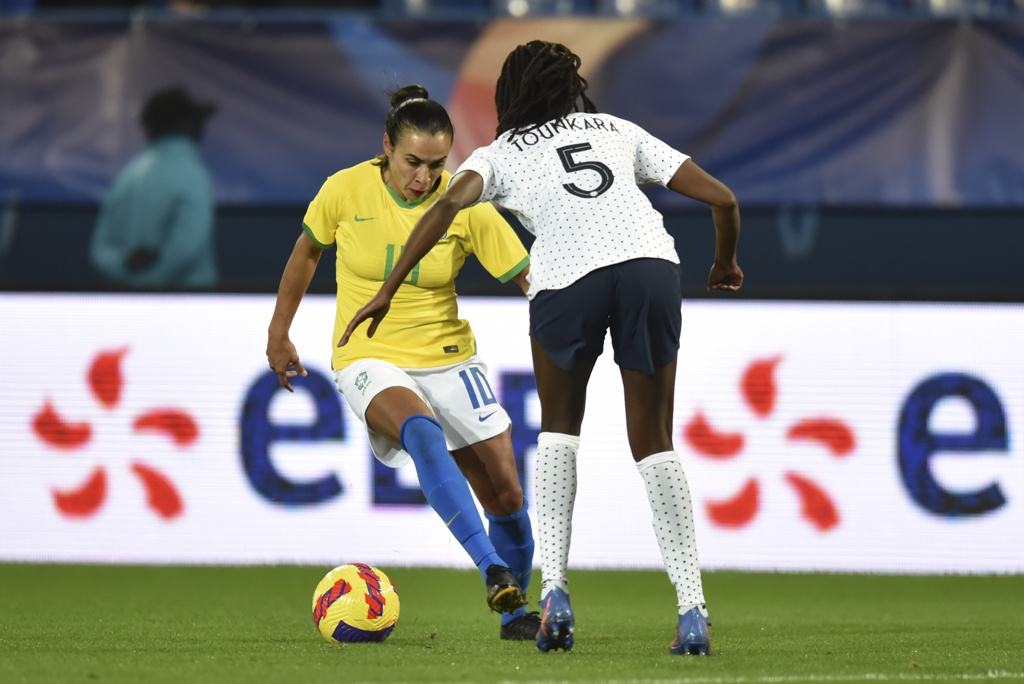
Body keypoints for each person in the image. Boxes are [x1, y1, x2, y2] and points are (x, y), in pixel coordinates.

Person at [341, 42, 743, 656]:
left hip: (568, 279)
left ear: (511, 95)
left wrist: (387, 290)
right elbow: (723, 199)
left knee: (558, 432)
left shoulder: (499, 154)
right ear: (569, 87)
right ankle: (693, 610)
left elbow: (445, 206)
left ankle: (554, 593)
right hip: (650, 269)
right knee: (655, 442)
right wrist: (724, 263)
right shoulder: (616, 129)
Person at [266, 85, 540, 640]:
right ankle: (491, 569)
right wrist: (279, 332)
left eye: (437, 165)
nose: (424, 177)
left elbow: (529, 279)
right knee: (421, 431)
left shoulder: (467, 204)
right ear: (386, 146)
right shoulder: (345, 190)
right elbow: (307, 253)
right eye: (413, 162)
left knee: (507, 494)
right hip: (368, 353)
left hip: (448, 357)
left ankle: (516, 610)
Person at [89, 86, 219, 289]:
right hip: (188, 308)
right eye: (195, 120)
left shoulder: (127, 175)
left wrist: (126, 268)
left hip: (128, 307)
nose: (201, 128)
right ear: (182, 124)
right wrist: (149, 284)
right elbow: (188, 245)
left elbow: (101, 249)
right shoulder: (192, 174)